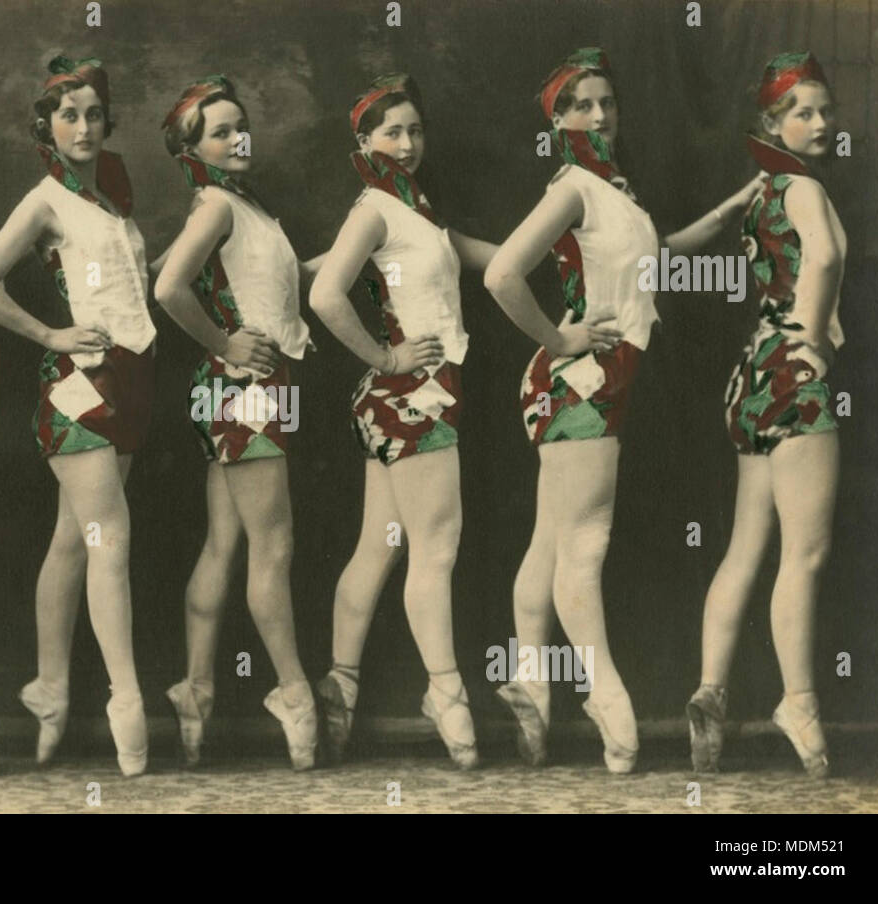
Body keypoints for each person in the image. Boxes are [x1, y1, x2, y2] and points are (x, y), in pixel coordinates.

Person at [485, 48, 765, 773]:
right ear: (558, 118)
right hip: (577, 380)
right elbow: (502, 272)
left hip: (590, 383)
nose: (600, 114)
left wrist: (730, 210)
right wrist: (559, 335)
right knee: (584, 546)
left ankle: (531, 686)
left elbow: (661, 258)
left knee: (551, 541)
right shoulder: (574, 186)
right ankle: (610, 704)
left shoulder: (617, 193)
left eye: (608, 102)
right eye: (582, 104)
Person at [0, 56, 153, 777]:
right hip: (77, 390)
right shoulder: (45, 199)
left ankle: (49, 687)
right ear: (46, 125)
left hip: (130, 382)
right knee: (111, 542)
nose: (84, 125)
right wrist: (49, 334)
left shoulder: (110, 201)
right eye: (68, 114)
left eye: (94, 112)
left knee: (74, 543)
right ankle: (126, 705)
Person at [310, 74, 500, 768]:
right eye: (392, 131)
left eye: (415, 130)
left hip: (412, 396)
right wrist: (385, 355)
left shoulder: (413, 210)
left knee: (380, 545)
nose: (408, 142)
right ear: (363, 141)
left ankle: (339, 687)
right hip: (410, 393)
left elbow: (490, 260)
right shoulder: (375, 209)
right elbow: (326, 293)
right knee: (437, 546)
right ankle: (446, 697)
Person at [153, 75, 322, 769]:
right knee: (272, 546)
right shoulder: (218, 203)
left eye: (239, 124)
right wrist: (223, 343)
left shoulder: (238, 207)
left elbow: (181, 270)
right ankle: (293, 693)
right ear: (194, 150)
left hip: (238, 388)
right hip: (245, 387)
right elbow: (167, 288)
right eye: (220, 131)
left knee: (226, 543)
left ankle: (194, 691)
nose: (237, 138)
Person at [688, 52, 845, 778]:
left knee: (744, 549)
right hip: (791, 375)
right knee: (804, 552)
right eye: (802, 113)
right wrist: (813, 339)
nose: (819, 123)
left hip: (750, 378)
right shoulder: (803, 187)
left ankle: (710, 694)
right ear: (773, 124)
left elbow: (677, 247)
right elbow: (823, 258)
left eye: (823, 110)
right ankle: (799, 701)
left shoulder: (761, 192)